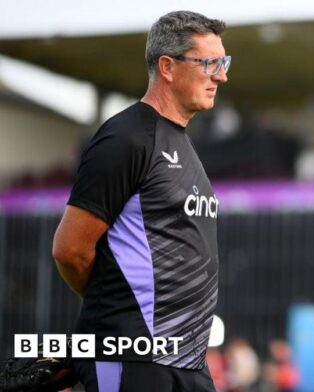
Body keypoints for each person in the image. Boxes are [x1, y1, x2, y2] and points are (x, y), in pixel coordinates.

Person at [52, 10, 230, 391]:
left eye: (224, 62)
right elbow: (70, 250)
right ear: (167, 66)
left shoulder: (181, 143)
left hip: (188, 359)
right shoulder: (127, 137)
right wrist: (120, 312)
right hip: (132, 355)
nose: (222, 75)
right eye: (210, 63)